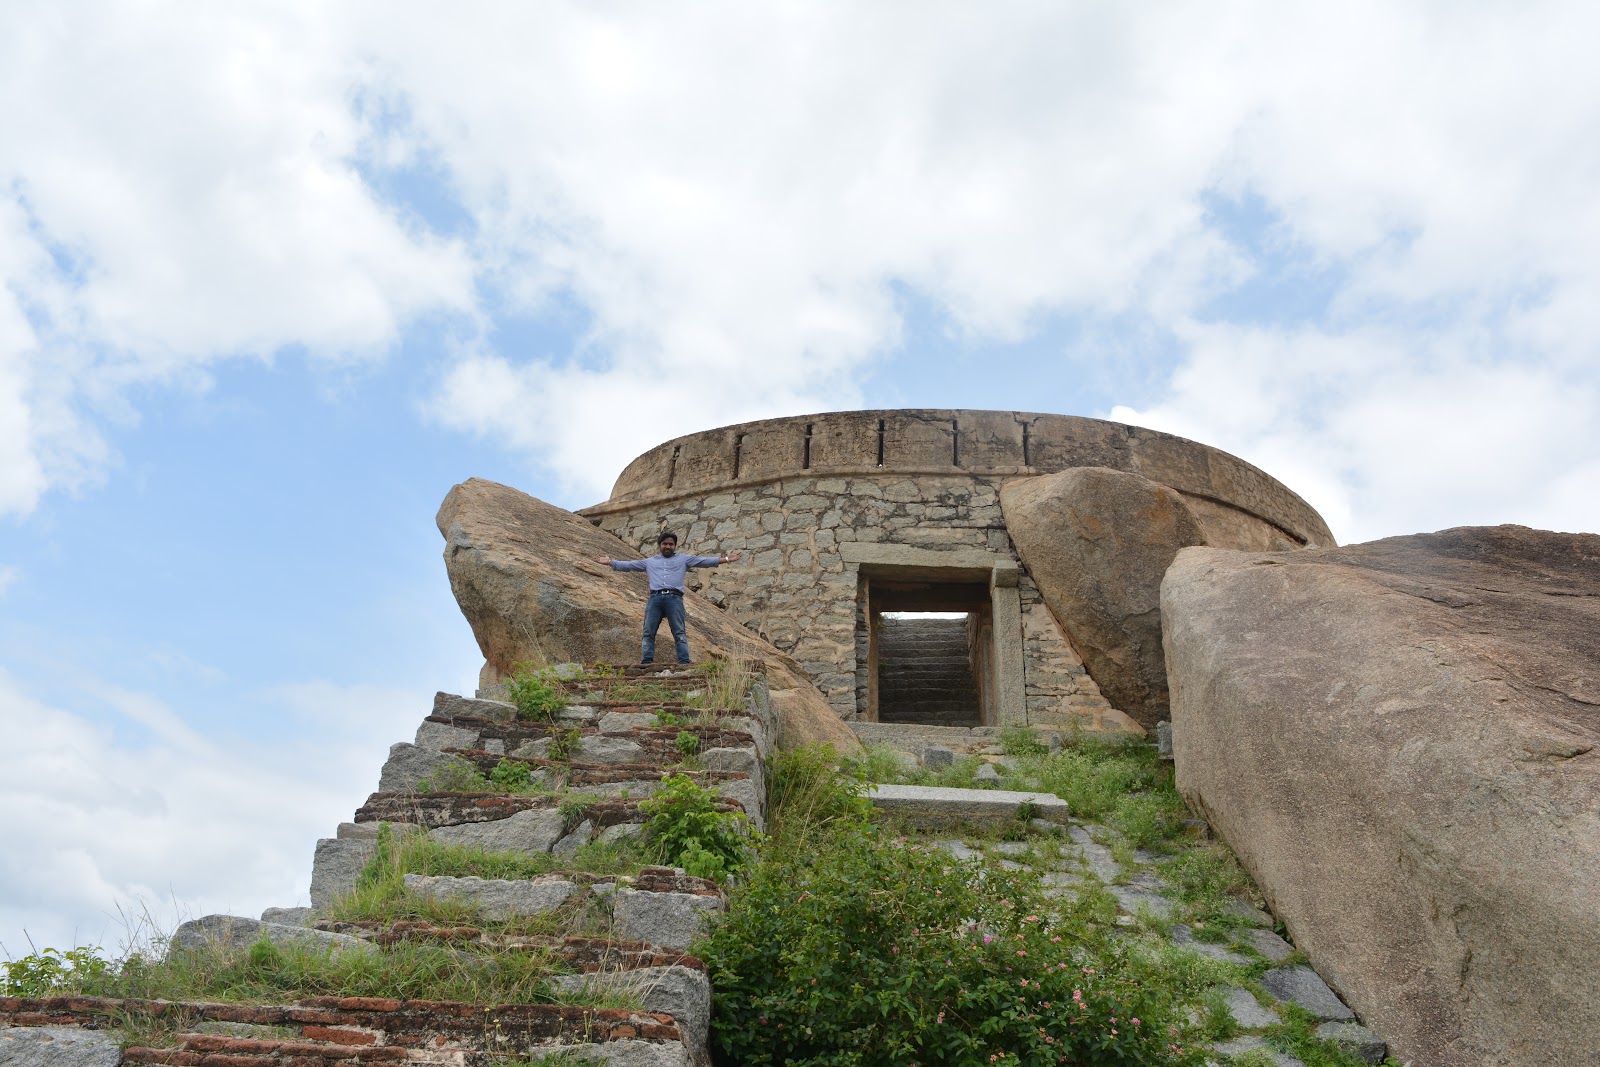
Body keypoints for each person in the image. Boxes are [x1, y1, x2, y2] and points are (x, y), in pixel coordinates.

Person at [592, 531, 742, 665]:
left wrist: (727, 559)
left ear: (675, 546)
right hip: (655, 599)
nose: (668, 547)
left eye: (671, 544)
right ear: (660, 545)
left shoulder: (684, 559)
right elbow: (629, 565)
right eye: (665, 544)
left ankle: (684, 661)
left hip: (674, 599)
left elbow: (704, 561)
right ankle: (646, 662)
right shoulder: (650, 561)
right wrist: (610, 562)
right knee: (648, 631)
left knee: (679, 631)